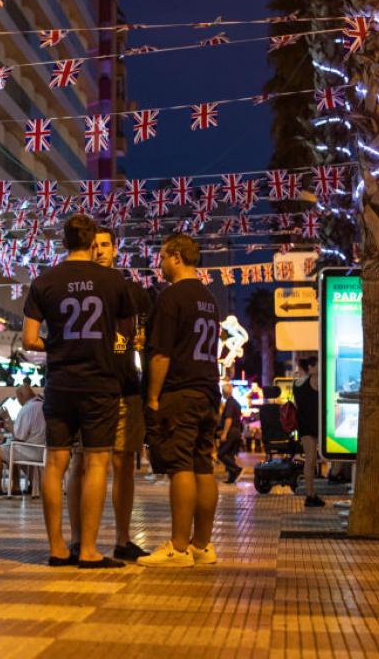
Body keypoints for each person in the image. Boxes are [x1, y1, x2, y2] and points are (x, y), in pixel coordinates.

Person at [22, 213, 134, 569]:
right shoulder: (114, 281)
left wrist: (57, 345)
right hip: (101, 383)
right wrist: (105, 347)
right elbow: (125, 332)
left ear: (64, 242)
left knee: (55, 463)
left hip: (60, 383)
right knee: (98, 462)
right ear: (91, 243)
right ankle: (88, 550)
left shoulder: (44, 281)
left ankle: (57, 548)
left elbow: (29, 340)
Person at [66, 226, 152, 562]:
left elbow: (137, 337)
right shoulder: (75, 287)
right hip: (86, 386)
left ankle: (122, 538)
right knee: (80, 461)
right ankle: (78, 539)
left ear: (116, 249)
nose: (100, 250)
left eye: (105, 245)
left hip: (125, 387)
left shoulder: (131, 290)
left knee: (123, 463)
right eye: (94, 245)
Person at [138, 234, 222, 568]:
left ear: (176, 256)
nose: (160, 264)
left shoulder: (171, 298)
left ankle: (178, 547)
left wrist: (153, 397)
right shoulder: (209, 298)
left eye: (162, 256)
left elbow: (161, 354)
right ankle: (202, 545)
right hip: (208, 389)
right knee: (204, 466)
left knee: (180, 467)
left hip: (179, 391)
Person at [0, 385, 45, 497]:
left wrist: (6, 419)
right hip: (42, 450)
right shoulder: (42, 405)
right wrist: (8, 420)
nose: (18, 401)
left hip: (31, 450)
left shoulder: (28, 408)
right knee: (9, 449)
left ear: (21, 396)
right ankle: (16, 487)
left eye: (18, 398)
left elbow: (19, 436)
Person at [294, 354, 324, 507]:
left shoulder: (296, 384)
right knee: (314, 459)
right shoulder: (316, 380)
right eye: (318, 365)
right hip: (317, 424)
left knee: (309, 461)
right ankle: (311, 495)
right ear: (311, 368)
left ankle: (310, 494)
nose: (321, 367)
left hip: (303, 425)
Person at [217, 382, 243, 484]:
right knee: (230, 454)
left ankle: (236, 469)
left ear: (224, 392)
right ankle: (231, 478)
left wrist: (224, 433)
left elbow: (229, 419)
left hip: (231, 432)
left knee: (221, 454)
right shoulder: (236, 403)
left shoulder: (229, 403)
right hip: (237, 432)